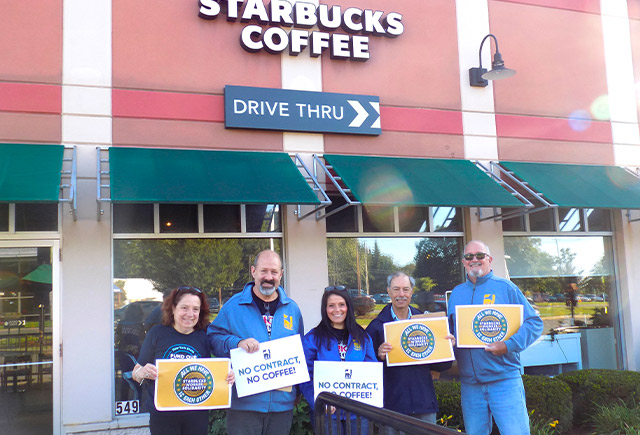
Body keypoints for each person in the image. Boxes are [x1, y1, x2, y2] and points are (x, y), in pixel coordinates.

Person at [447, 240, 543, 435]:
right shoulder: (456, 294)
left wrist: (508, 346)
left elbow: (534, 323)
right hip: (470, 384)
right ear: (464, 262)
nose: (474, 259)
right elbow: (449, 331)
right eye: (469, 256)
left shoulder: (506, 288)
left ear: (489, 260)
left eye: (480, 255)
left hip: (504, 380)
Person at [208, 250, 304, 435]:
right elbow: (213, 338)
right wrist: (236, 343)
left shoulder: (292, 309)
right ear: (253, 271)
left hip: (282, 405)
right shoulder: (233, 306)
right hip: (244, 405)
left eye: (274, 272)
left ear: (281, 274)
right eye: (263, 271)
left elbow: (299, 349)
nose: (269, 277)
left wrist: (297, 392)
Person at [132, 286, 234, 435]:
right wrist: (142, 372)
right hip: (163, 413)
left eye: (195, 309)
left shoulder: (206, 335)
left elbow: (219, 366)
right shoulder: (157, 334)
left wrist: (228, 374)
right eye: (184, 308)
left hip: (196, 413)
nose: (190, 314)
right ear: (173, 308)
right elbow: (136, 372)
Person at [365, 272, 452, 432]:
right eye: (396, 289)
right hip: (392, 407)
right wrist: (379, 356)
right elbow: (366, 371)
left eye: (406, 289)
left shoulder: (427, 322)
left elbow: (443, 365)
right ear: (388, 291)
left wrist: (446, 347)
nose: (401, 294)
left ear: (412, 292)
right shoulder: (376, 327)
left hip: (424, 404)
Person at [300, 287, 377, 434]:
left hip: (358, 412)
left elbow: (371, 371)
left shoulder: (362, 336)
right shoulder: (313, 338)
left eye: (341, 304)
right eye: (331, 305)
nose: (337, 310)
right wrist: (317, 400)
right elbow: (305, 375)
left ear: (348, 306)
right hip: (327, 413)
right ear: (325, 309)